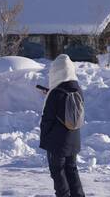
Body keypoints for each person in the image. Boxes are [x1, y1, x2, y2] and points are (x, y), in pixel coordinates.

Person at [40, 54, 85, 197]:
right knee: (71, 170)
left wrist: (46, 139)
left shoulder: (56, 93)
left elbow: (47, 119)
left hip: (57, 142)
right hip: (74, 139)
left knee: (58, 173)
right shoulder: (77, 89)